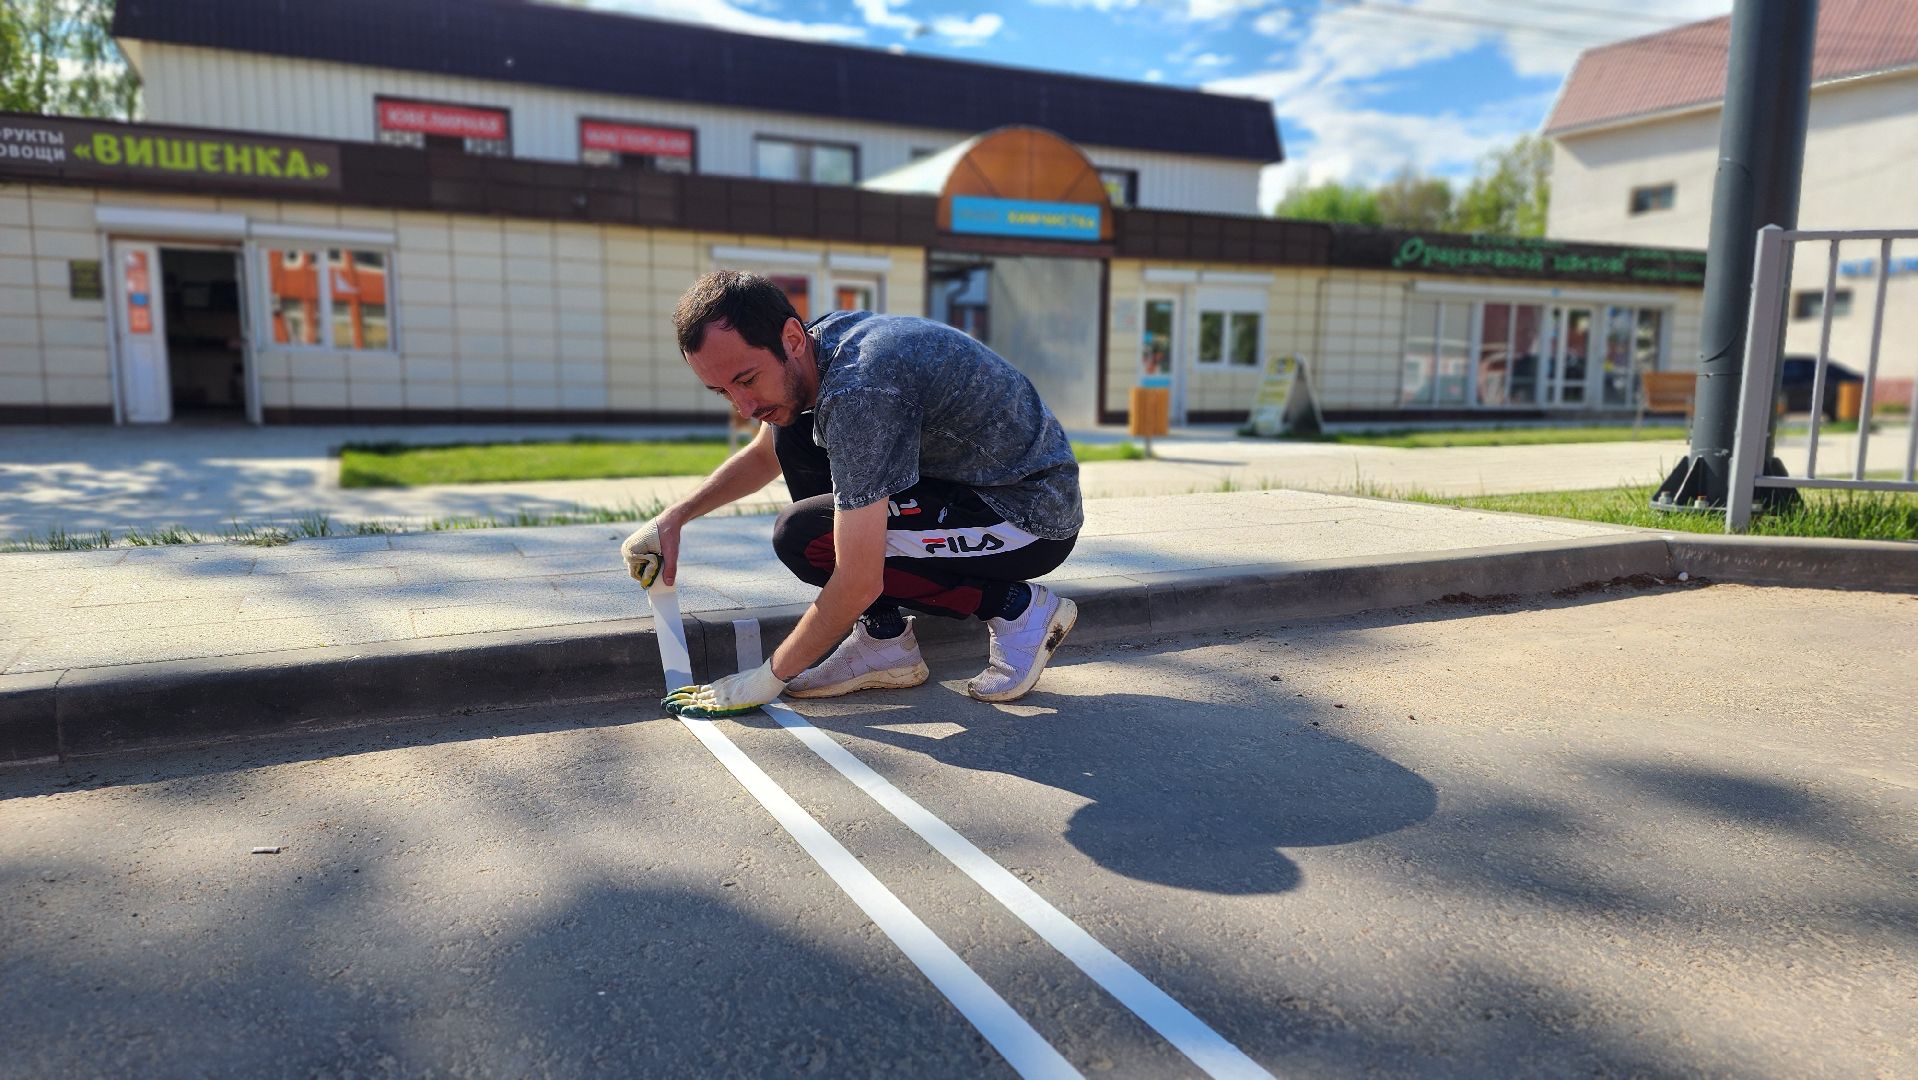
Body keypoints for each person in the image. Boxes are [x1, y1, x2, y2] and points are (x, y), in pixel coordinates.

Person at [624, 270, 1083, 718]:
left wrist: (767, 678)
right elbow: (766, 455)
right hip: (969, 484)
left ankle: (1019, 610)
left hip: (1029, 514)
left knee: (804, 538)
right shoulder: (818, 350)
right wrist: (674, 518)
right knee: (790, 431)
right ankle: (885, 644)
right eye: (722, 392)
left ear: (790, 338)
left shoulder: (861, 389)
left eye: (746, 380)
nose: (743, 407)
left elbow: (858, 579)